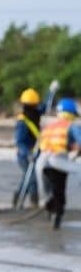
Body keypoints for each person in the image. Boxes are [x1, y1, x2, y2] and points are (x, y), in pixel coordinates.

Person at [35, 98, 80, 229]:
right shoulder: (71, 126)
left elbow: (43, 145)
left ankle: (50, 209)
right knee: (59, 189)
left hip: (42, 162)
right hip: (58, 161)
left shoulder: (49, 127)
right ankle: (57, 216)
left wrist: (72, 147)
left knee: (50, 189)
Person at [13, 85, 55, 208]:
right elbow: (20, 142)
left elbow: (47, 106)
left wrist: (51, 91)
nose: (35, 107)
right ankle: (32, 202)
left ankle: (19, 201)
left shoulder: (36, 113)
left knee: (29, 177)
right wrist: (28, 153)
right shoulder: (22, 122)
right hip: (24, 156)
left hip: (36, 153)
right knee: (32, 178)